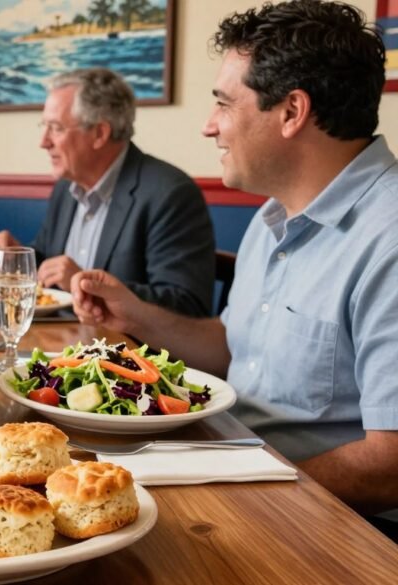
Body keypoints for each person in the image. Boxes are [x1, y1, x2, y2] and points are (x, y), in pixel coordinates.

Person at [71, 0, 398, 517]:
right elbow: (235, 349)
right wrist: (134, 313)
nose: (209, 125)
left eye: (224, 103)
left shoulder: (390, 238)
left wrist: (244, 489)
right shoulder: (275, 215)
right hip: (236, 469)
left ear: (292, 112)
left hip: (329, 523)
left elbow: (390, 464)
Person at [0, 69, 215, 317]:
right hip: (60, 343)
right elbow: (51, 270)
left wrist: (85, 285)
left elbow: (186, 306)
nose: (44, 141)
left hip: (126, 353)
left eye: (56, 128)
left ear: (99, 133)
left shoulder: (170, 194)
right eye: (44, 127)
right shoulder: (65, 188)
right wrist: (18, 259)